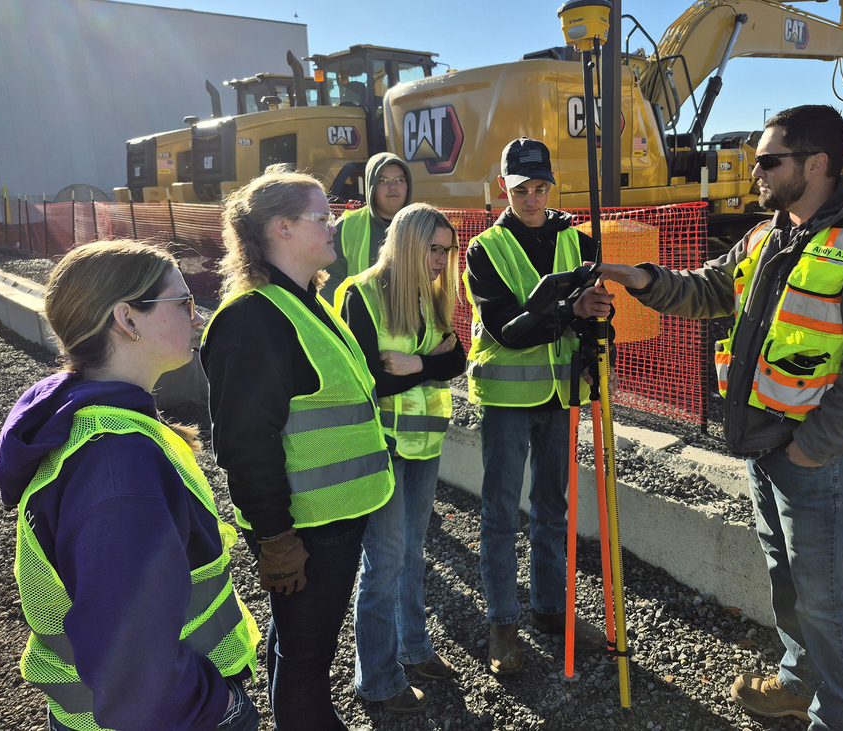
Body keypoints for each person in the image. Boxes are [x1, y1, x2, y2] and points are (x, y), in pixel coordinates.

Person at [597, 105, 843, 731]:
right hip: (764, 444)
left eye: (769, 159)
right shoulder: (770, 234)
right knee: (788, 579)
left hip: (813, 456)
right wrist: (641, 278)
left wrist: (814, 447)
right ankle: (799, 686)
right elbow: (711, 289)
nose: (756, 169)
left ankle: (839, 717)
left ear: (817, 163)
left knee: (825, 597)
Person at [0, 240, 262, 731]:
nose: (198, 318)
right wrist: (217, 707)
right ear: (127, 319)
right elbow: (133, 672)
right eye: (183, 303)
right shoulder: (117, 465)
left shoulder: (89, 423)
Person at [201, 165, 395, 731]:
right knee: (307, 660)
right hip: (309, 527)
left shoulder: (307, 302)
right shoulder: (252, 320)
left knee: (297, 649)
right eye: (322, 216)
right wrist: (275, 538)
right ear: (281, 227)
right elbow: (242, 443)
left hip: (334, 515)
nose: (334, 225)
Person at [463, 137, 613, 675]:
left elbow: (596, 315)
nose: (531, 198)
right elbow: (505, 330)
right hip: (506, 397)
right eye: (521, 188)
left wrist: (596, 317)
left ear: (552, 186)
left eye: (540, 188)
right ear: (503, 187)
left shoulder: (580, 241)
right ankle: (503, 624)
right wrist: (567, 308)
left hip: (562, 395)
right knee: (500, 513)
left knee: (554, 509)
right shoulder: (484, 250)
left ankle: (552, 611)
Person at [335, 203, 467, 712]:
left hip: (424, 444)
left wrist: (419, 363)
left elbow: (458, 359)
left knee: (413, 553)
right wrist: (428, 365)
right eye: (434, 249)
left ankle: (414, 649)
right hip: (382, 445)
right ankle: (377, 677)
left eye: (447, 249)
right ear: (409, 244)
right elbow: (370, 379)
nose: (442, 259)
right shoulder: (360, 294)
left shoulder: (432, 294)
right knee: (384, 561)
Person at [324, 152, 413, 294]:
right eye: (384, 180)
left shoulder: (420, 226)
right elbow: (330, 282)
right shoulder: (346, 226)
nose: (393, 186)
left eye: (400, 180)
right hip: (357, 315)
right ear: (371, 184)